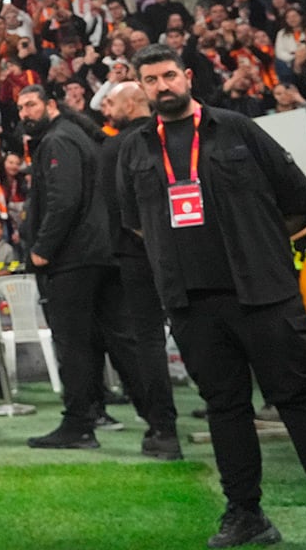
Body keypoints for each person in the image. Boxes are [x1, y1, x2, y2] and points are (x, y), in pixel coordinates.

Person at [118, 46, 306, 550]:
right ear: (142, 88)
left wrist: (256, 247)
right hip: (193, 304)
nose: (162, 86)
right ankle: (246, 515)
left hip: (263, 295)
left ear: (188, 76)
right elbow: (135, 222)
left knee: (301, 402)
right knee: (225, 408)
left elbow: (298, 200)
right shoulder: (136, 148)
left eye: (170, 75)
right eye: (151, 80)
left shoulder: (236, 128)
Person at [16, 84, 119, 450]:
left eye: (31, 104)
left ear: (50, 104)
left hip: (73, 257)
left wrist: (43, 248)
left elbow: (64, 199)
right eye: (21, 107)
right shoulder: (76, 135)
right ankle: (109, 413)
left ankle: (79, 423)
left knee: (72, 343)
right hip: (97, 252)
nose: (24, 113)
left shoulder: (58, 140)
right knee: (100, 340)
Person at [92, 81, 182, 461]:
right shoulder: (173, 137)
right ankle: (226, 410)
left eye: (112, 101)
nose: (106, 108)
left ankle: (163, 428)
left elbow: (116, 207)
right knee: (201, 329)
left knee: (147, 341)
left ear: (132, 103)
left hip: (134, 254)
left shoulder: (114, 148)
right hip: (185, 249)